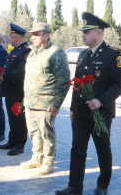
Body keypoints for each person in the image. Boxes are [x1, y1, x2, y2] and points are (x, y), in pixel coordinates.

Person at [56, 12, 121, 195]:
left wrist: (101, 101)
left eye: (87, 31)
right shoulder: (83, 55)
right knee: (77, 149)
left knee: (103, 150)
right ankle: (74, 186)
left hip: (100, 113)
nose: (83, 34)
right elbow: (77, 84)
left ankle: (103, 185)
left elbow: (120, 84)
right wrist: (72, 108)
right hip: (80, 113)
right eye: (83, 31)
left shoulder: (113, 55)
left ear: (99, 34)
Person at [21, 22, 70, 175]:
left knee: (46, 134)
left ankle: (48, 162)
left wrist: (57, 104)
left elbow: (64, 81)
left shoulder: (56, 53)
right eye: (32, 34)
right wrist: (25, 98)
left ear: (46, 35)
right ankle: (37, 158)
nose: (33, 37)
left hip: (46, 104)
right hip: (30, 103)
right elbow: (29, 77)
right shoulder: (32, 53)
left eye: (37, 34)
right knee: (33, 132)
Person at [0, 23, 31, 156]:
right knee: (11, 117)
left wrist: (3, 76)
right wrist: (0, 75)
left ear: (15, 37)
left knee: (19, 118)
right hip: (10, 91)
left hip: (18, 92)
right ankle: (12, 140)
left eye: (11, 37)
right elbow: (7, 67)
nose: (10, 39)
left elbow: (21, 72)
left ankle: (19, 144)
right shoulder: (15, 50)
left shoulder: (25, 51)